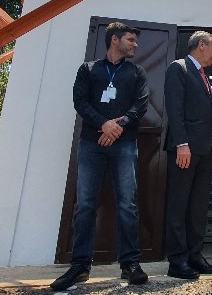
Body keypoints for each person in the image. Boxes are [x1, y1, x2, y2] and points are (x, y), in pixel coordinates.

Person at [50, 22, 149, 291]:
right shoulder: (88, 69)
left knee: (127, 204)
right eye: (130, 39)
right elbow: (80, 101)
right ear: (114, 40)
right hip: (91, 144)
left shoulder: (136, 72)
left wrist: (118, 126)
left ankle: (130, 264)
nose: (135, 44)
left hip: (125, 143)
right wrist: (104, 124)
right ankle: (80, 266)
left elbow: (141, 104)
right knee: (85, 205)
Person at [164, 30, 212, 280]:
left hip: (203, 151)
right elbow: (174, 109)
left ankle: (195, 256)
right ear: (201, 45)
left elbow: (208, 116)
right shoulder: (178, 68)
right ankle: (177, 261)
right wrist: (181, 143)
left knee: (197, 207)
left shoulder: (204, 76)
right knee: (179, 205)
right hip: (185, 150)